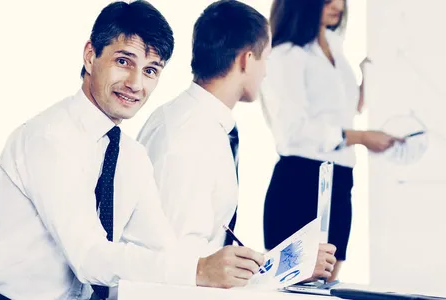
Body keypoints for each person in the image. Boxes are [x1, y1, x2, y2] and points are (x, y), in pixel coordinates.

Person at [0, 1, 263, 299]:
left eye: (151, 70)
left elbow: (162, 247)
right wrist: (196, 270)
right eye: (123, 61)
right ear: (90, 56)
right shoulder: (50, 138)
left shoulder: (130, 155)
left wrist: (249, 268)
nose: (135, 83)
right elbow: (89, 257)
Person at [137, 0, 337, 285]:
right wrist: (288, 267)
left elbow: (207, 259)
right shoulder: (188, 136)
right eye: (265, 59)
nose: (266, 71)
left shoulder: (204, 125)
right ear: (246, 59)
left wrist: (291, 264)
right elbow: (183, 266)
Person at [261, 0, 402, 282]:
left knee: (327, 285)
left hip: (340, 179)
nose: (337, 5)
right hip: (301, 179)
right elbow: (293, 131)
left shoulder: (334, 45)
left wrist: (367, 75)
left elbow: (342, 110)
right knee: (296, 287)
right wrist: (361, 137)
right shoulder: (285, 55)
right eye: (326, 0)